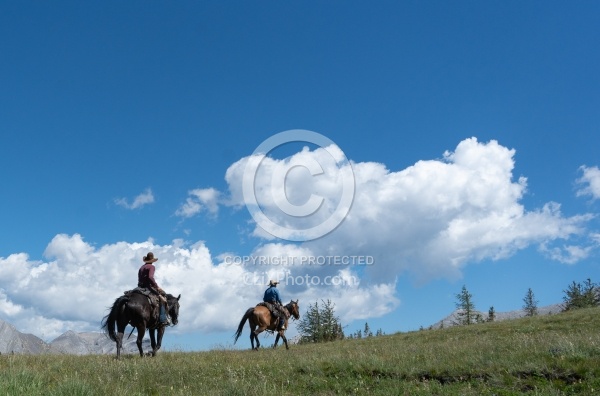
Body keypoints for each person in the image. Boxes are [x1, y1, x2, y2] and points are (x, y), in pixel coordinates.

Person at [138, 252, 170, 325]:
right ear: (152, 261)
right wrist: (156, 287)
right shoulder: (151, 267)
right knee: (163, 299)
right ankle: (162, 318)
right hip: (148, 287)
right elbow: (150, 277)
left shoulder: (141, 267)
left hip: (139, 287)